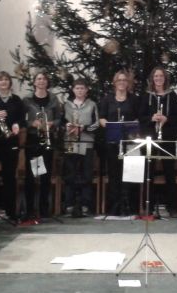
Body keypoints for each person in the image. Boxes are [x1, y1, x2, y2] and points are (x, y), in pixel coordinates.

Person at [138, 66, 177, 217]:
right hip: (149, 137)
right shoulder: (146, 96)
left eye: (161, 76)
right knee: (148, 171)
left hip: (167, 137)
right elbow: (140, 116)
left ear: (165, 78)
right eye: (156, 76)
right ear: (152, 79)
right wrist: (151, 118)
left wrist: (166, 119)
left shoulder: (172, 96)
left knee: (170, 172)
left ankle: (172, 207)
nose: (158, 79)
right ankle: (147, 206)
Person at [98, 69, 140, 215]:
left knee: (131, 173)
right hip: (113, 141)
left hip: (130, 142)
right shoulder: (107, 99)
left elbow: (138, 118)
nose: (122, 82)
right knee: (114, 174)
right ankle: (115, 206)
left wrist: (131, 126)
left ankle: (130, 206)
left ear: (128, 83)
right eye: (119, 80)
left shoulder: (134, 99)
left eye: (124, 80)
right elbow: (101, 118)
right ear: (114, 82)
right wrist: (111, 126)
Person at [22, 72, 62, 219]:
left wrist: (52, 124)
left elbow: (59, 118)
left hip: (47, 138)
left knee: (45, 175)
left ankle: (44, 209)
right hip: (33, 139)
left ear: (47, 82)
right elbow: (21, 119)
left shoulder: (53, 99)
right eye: (38, 79)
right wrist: (31, 123)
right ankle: (30, 209)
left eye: (44, 79)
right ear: (34, 82)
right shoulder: (27, 100)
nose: (41, 81)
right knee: (31, 175)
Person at [0, 72, 24, 221]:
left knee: (10, 177)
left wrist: (17, 125)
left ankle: (11, 211)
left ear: (10, 82)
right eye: (0, 80)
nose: (4, 82)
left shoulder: (16, 99)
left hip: (11, 142)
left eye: (6, 80)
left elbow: (21, 119)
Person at [60, 78, 99, 216]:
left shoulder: (92, 104)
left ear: (87, 90)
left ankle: (85, 205)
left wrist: (83, 128)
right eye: (77, 88)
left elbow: (96, 124)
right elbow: (60, 122)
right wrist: (67, 126)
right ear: (73, 90)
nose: (80, 90)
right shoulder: (66, 105)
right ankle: (69, 204)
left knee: (86, 174)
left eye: (82, 88)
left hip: (86, 143)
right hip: (70, 142)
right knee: (70, 173)